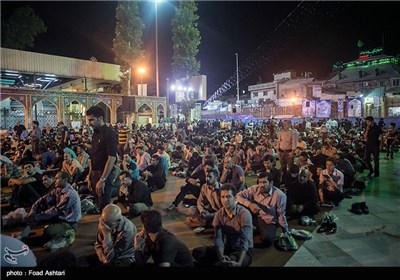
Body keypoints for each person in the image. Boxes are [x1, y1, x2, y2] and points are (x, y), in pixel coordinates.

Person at [192, 183, 253, 267]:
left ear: (235, 198)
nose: (225, 200)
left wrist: (239, 263)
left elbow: (245, 240)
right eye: (222, 197)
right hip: (227, 247)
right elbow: (218, 237)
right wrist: (220, 255)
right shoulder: (219, 214)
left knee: (225, 265)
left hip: (242, 251)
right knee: (198, 251)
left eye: (228, 197)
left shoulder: (244, 214)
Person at [27, 171, 81, 251]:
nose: (54, 181)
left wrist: (36, 217)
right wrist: (32, 211)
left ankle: (68, 234)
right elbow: (42, 199)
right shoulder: (58, 189)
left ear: (65, 179)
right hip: (59, 218)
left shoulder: (70, 194)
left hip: (69, 223)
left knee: (48, 231)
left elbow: (56, 210)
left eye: (56, 179)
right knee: (35, 217)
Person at [237, 172, 289, 248]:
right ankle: (248, 230)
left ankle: (248, 240)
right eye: (260, 182)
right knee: (239, 205)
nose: (261, 185)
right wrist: (250, 204)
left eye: (264, 182)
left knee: (267, 240)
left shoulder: (280, 195)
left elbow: (281, 214)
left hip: (269, 222)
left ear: (271, 183)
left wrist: (285, 231)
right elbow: (238, 196)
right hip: (255, 216)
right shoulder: (255, 189)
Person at [86, 106, 118, 211]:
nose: (89, 123)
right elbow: (93, 156)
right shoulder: (95, 133)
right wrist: (90, 176)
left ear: (100, 118)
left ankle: (107, 225)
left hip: (104, 175)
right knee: (99, 203)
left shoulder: (110, 133)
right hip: (95, 174)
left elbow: (112, 158)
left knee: (104, 205)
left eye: (92, 120)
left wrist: (102, 179)